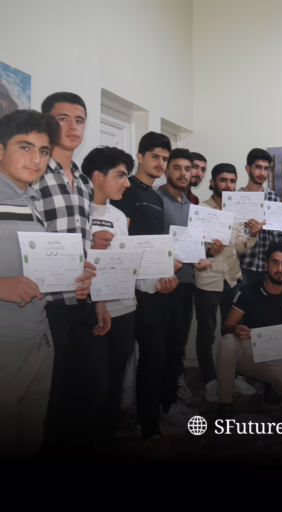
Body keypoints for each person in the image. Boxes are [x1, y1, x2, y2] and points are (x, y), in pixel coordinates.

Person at [0, 110, 80, 456]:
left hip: (37, 337)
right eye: (25, 147)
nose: (36, 159)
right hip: (4, 344)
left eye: (44, 150)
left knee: (30, 437)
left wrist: (73, 276)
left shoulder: (31, 198)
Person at [33, 93, 105, 453]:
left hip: (83, 299)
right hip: (45, 303)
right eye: (63, 118)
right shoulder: (32, 175)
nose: (73, 127)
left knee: (84, 387)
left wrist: (99, 298)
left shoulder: (84, 181)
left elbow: (86, 244)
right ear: (47, 122)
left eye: (79, 120)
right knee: (50, 393)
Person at [110, 132, 182, 443]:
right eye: (155, 156)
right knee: (124, 360)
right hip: (127, 289)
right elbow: (121, 240)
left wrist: (167, 267)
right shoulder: (125, 190)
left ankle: (150, 423)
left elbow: (154, 244)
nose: (160, 163)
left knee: (156, 357)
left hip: (155, 288)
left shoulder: (155, 196)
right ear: (139, 156)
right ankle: (123, 427)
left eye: (165, 159)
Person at [81, 146, 141, 450]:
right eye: (120, 175)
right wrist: (91, 247)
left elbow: (125, 259)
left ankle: (107, 439)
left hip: (125, 307)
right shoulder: (78, 212)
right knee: (94, 383)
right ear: (97, 176)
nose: (126, 183)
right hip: (91, 309)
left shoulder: (118, 215)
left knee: (116, 379)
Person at [217, 243, 282, 418]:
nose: (279, 269)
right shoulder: (248, 291)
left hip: (279, 356)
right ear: (266, 266)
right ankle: (224, 404)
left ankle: (270, 383)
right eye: (275, 263)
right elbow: (227, 327)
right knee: (228, 342)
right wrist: (236, 329)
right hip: (251, 352)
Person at [195, 163, 259, 402]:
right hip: (207, 280)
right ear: (213, 183)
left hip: (232, 279)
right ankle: (211, 380)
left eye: (232, 181)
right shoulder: (200, 210)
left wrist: (253, 234)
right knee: (206, 333)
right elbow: (192, 246)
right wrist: (207, 250)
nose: (228, 185)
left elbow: (240, 246)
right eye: (223, 180)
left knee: (232, 331)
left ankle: (232, 377)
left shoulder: (238, 212)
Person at [155, 148, 212, 405]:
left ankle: (171, 398)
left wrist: (203, 256)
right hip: (162, 283)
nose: (183, 174)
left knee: (178, 342)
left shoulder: (192, 207)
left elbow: (194, 246)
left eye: (188, 169)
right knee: (160, 346)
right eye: (176, 168)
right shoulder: (156, 200)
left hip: (186, 282)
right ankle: (162, 403)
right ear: (167, 170)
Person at [238, 148, 282, 284]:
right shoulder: (236, 198)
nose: (262, 173)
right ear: (248, 169)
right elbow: (232, 235)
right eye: (258, 167)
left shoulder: (273, 197)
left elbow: (277, 235)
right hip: (242, 266)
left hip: (267, 268)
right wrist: (250, 231)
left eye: (266, 168)